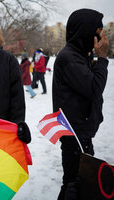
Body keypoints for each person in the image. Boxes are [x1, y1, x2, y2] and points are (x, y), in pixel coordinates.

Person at [52, 9, 109, 200]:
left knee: (78, 182)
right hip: (74, 134)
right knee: (74, 185)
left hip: (80, 132)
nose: (101, 37)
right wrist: (102, 59)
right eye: (98, 31)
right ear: (86, 31)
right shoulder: (69, 57)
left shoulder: (79, 55)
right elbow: (94, 88)